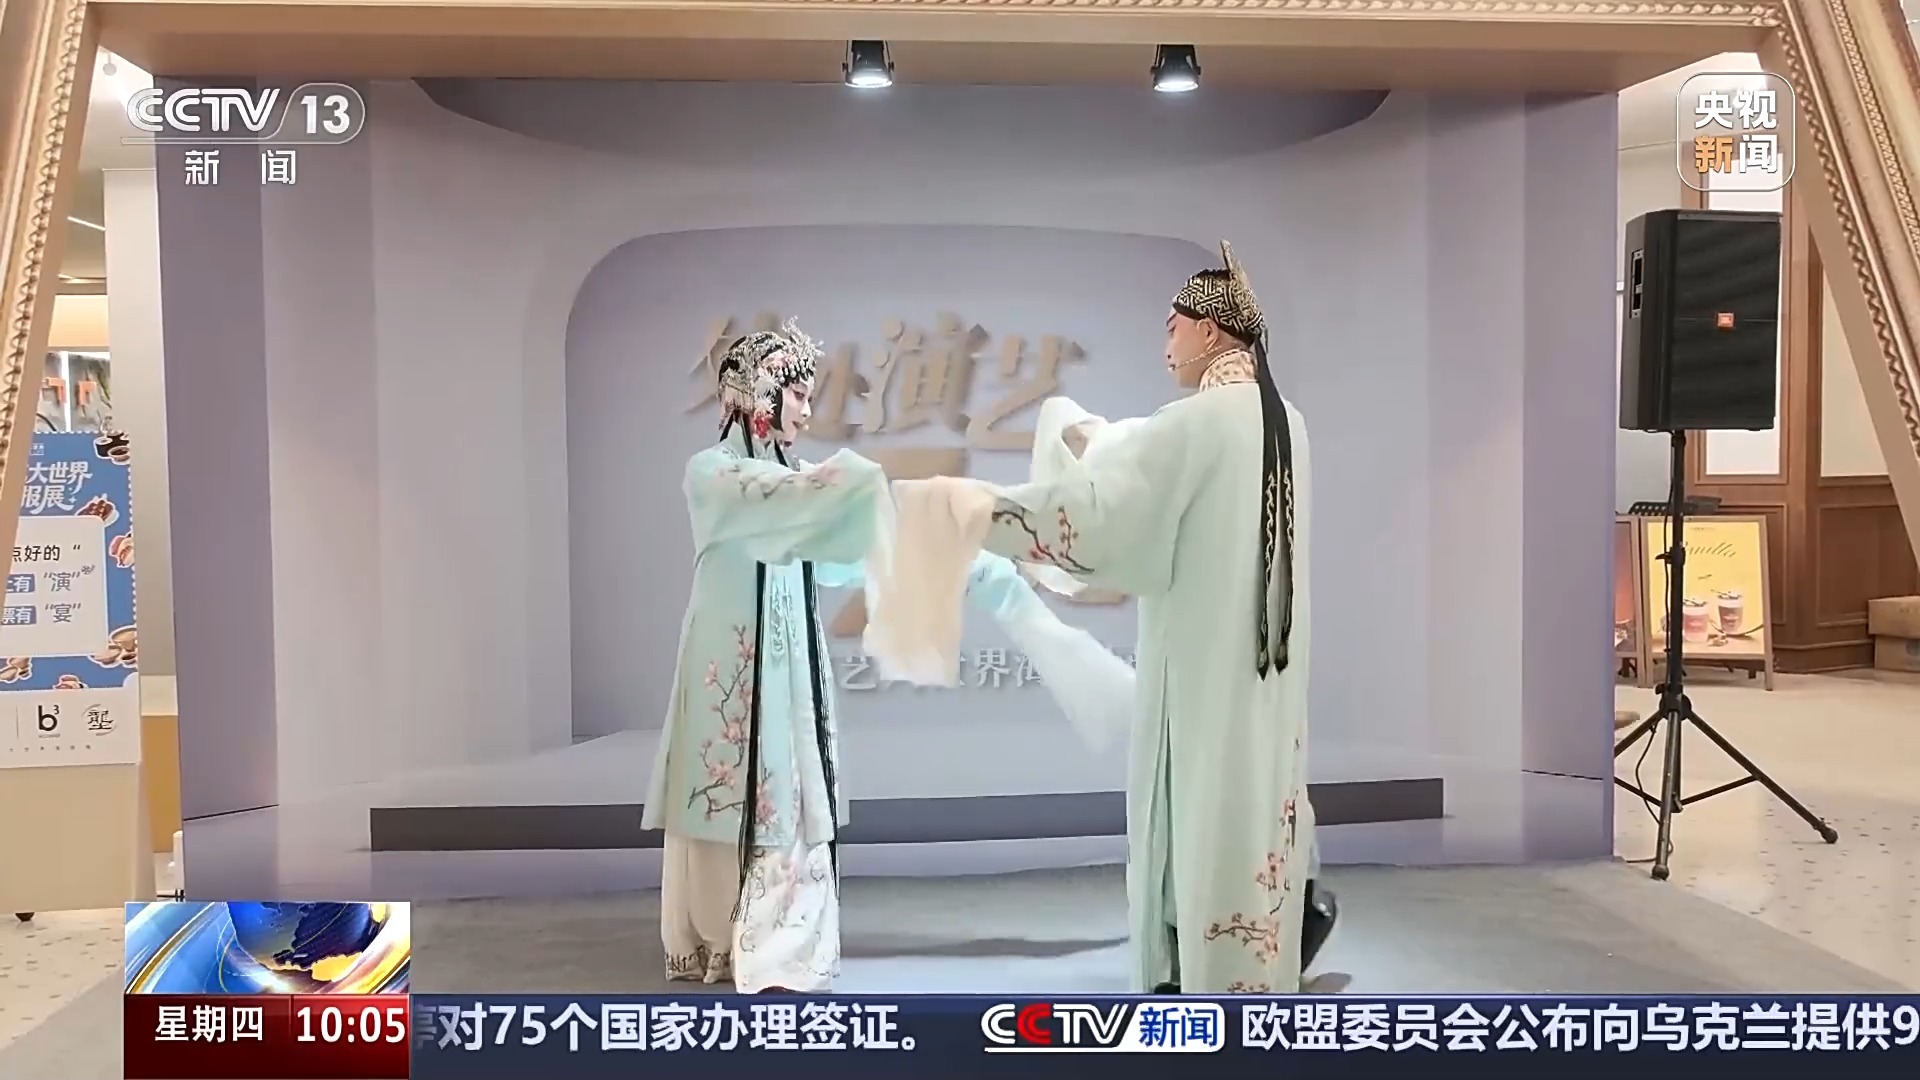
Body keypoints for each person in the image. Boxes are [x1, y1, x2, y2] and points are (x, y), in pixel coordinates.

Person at [885, 243, 1335, 993]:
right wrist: (1100, 438)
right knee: (1259, 793)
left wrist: (969, 507)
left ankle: (1198, 974)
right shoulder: (1284, 421)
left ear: (1211, 332)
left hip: (1202, 663)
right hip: (1267, 664)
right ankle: (1260, 963)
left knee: (1198, 798)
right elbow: (1167, 466)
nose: (1166, 343)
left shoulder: (1195, 423)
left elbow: (1098, 518)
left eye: (1174, 326)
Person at [642, 318, 1096, 994]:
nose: (806, 410)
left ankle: (775, 938)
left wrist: (946, 543)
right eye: (797, 395)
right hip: (729, 660)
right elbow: (797, 502)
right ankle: (717, 934)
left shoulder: (799, 480)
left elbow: (841, 552)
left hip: (788, 668)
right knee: (722, 785)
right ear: (761, 395)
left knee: (788, 791)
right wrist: (863, 486)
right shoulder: (712, 474)